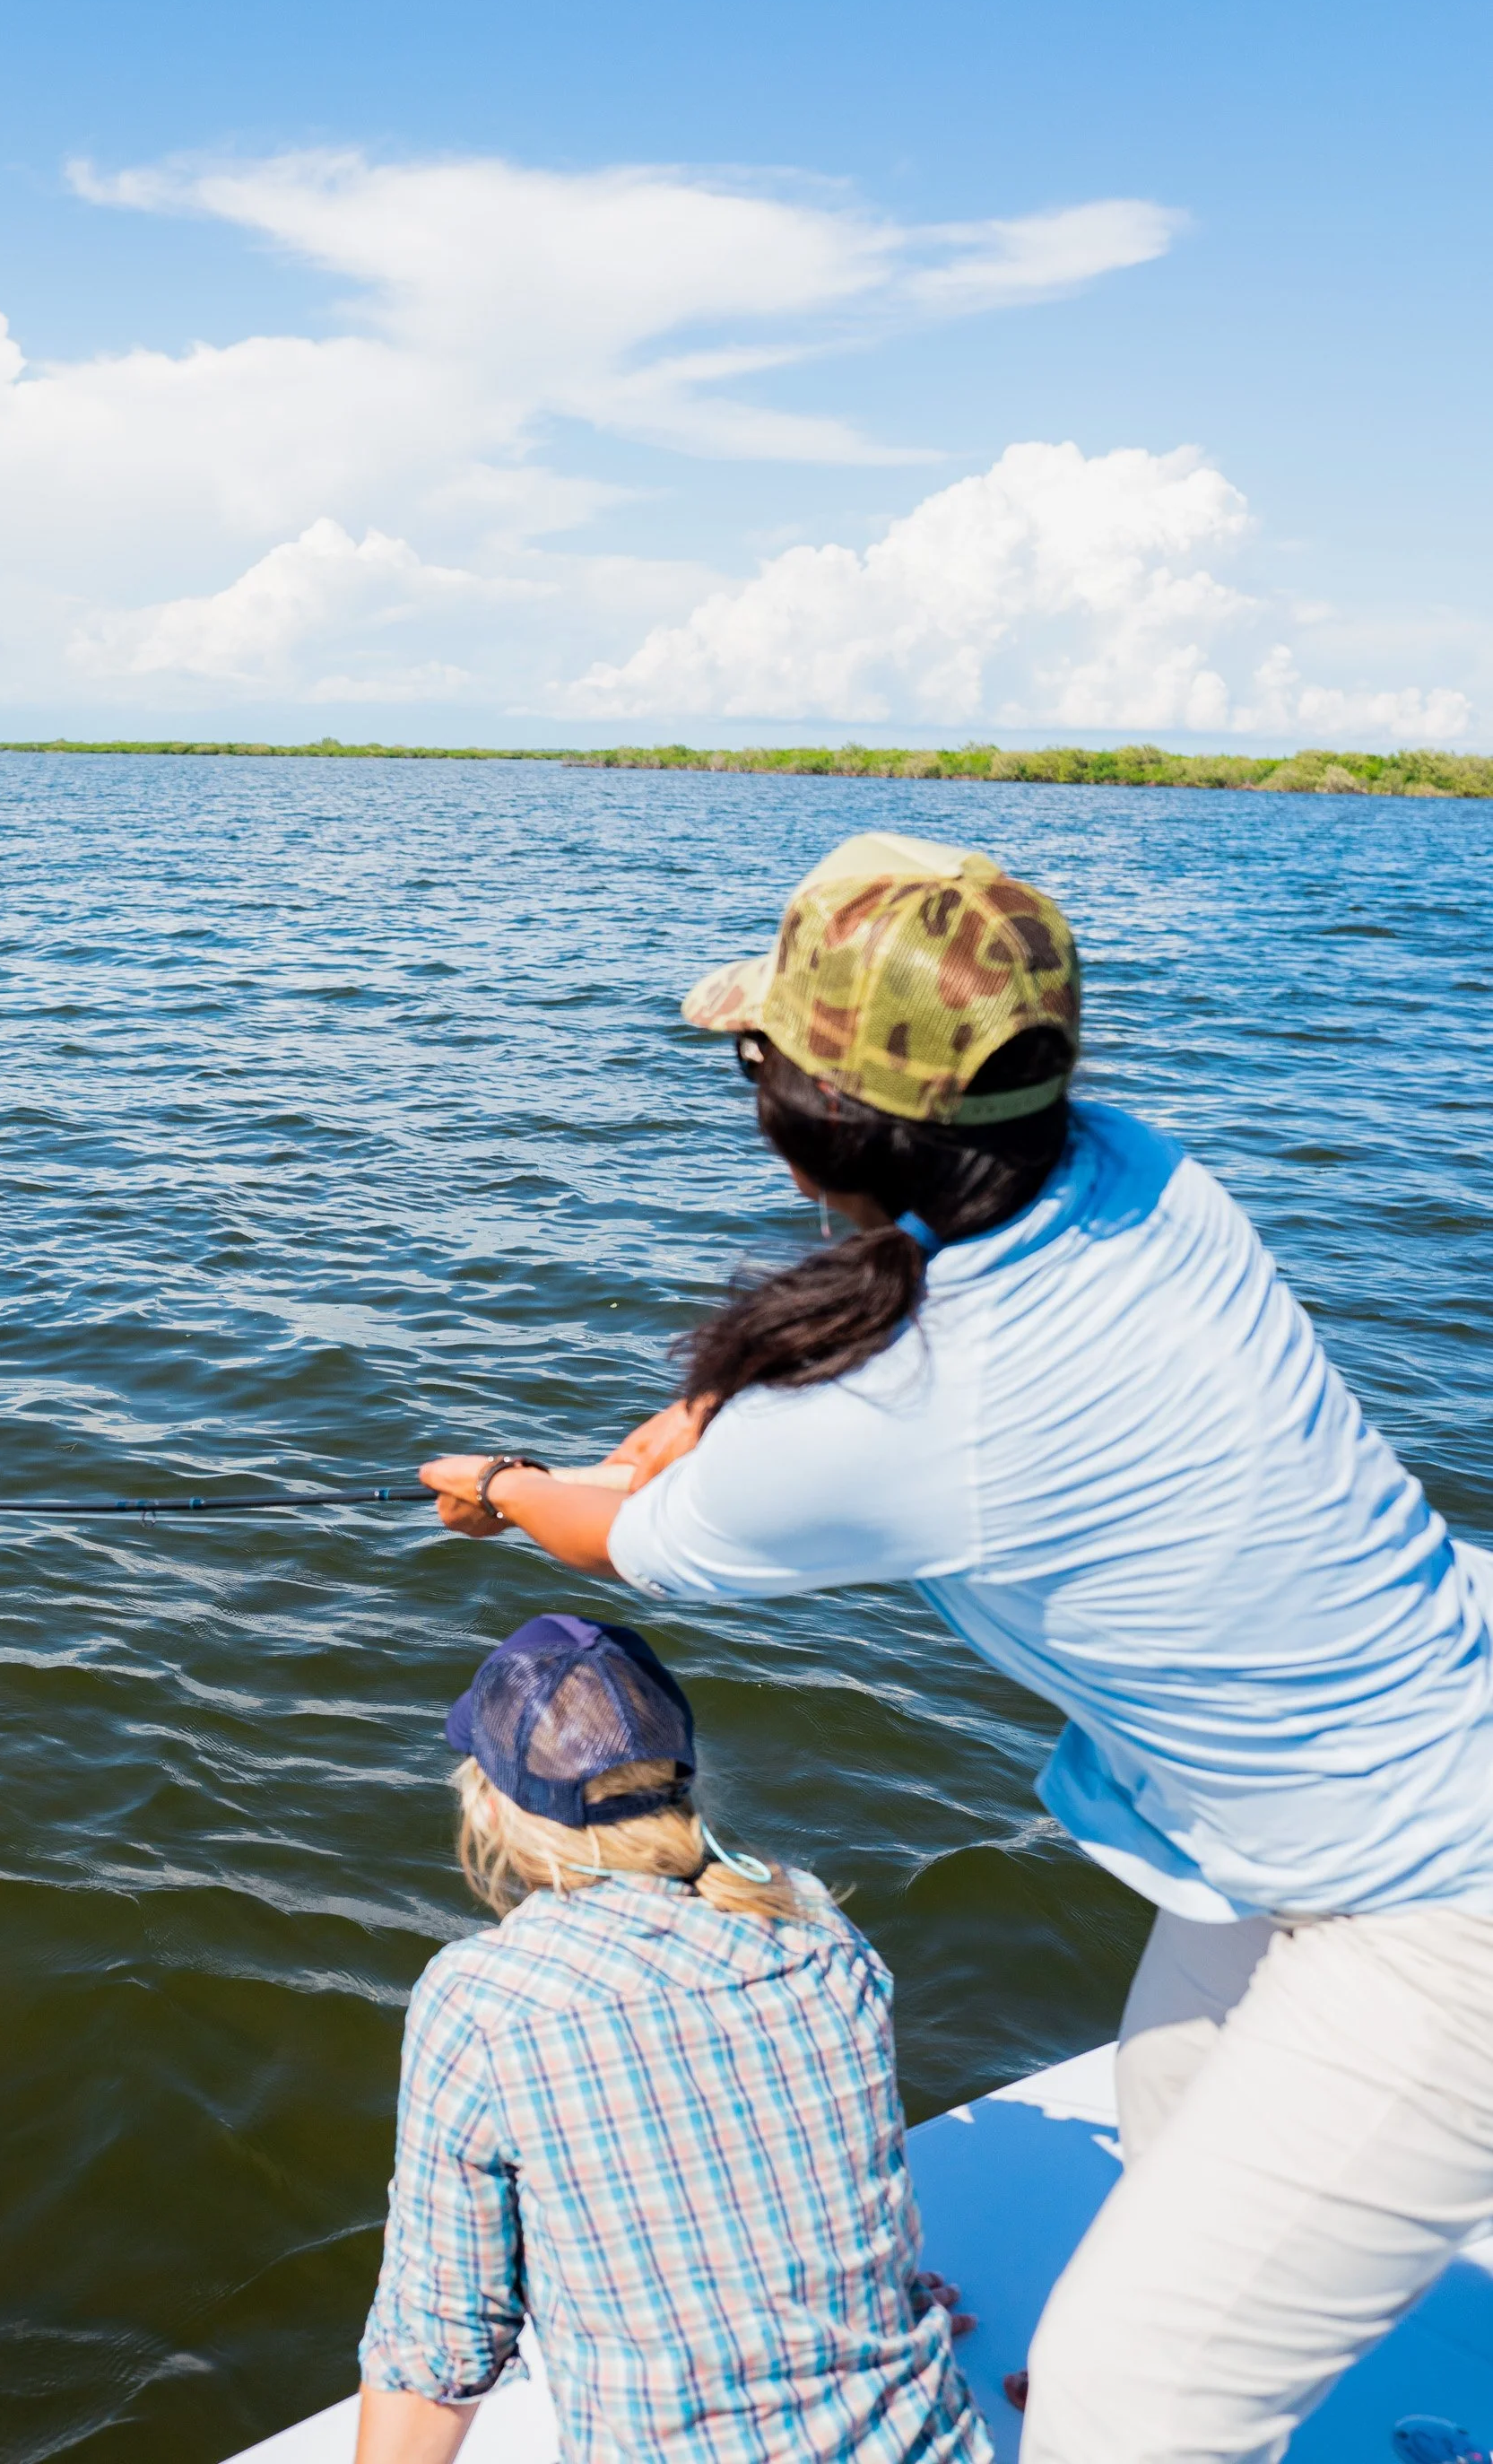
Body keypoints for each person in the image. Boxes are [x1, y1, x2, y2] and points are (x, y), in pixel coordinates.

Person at [418, 829, 1493, 2464]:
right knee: (1167, 2117)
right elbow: (879, 1308)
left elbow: (610, 1539)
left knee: (1124, 2408)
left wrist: (501, 1488)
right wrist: (694, 1416)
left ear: (808, 1116)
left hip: (1443, 1896)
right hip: (1377, 1760)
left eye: (757, 1056)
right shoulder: (1133, 1167)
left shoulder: (905, 1414)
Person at [357, 1611, 988, 2464]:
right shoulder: (811, 1922)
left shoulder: (483, 2001)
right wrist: (885, 2300)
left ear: (498, 1799)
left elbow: (439, 2343)